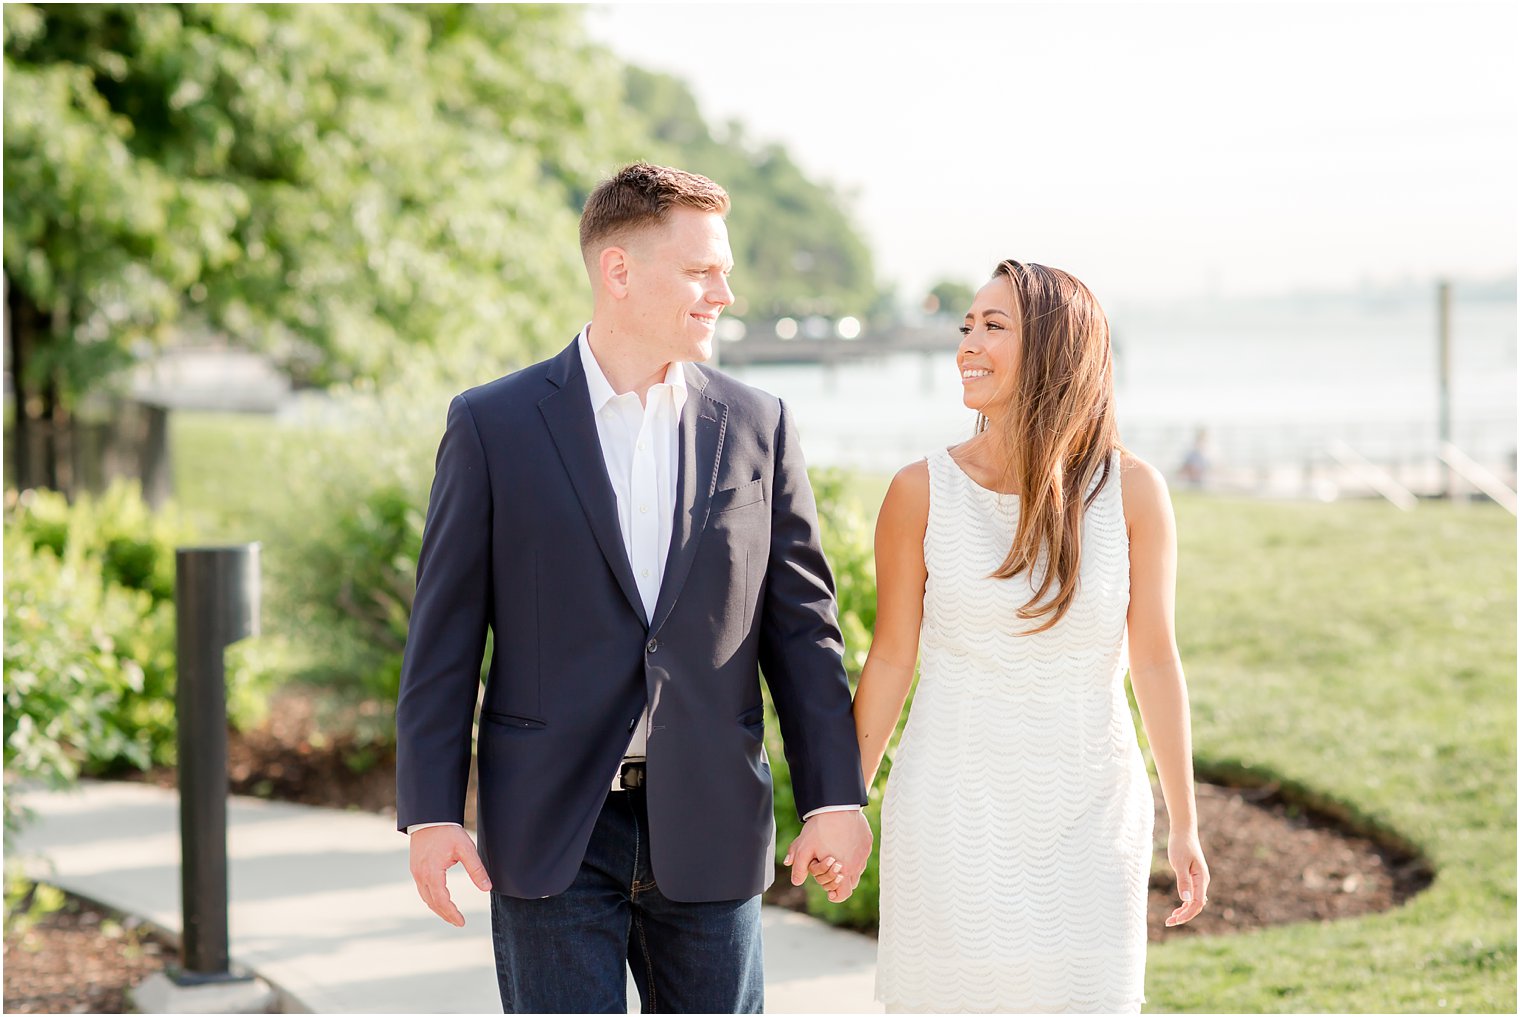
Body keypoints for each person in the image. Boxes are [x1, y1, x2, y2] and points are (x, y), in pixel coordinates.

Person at [394, 162, 872, 1014]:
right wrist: (431, 811)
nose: (723, 292)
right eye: (701, 271)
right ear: (619, 271)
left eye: (723, 271)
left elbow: (803, 632)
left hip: (712, 819)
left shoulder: (760, 425)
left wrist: (834, 795)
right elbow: (445, 636)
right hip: (551, 827)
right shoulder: (493, 425)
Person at [852, 260, 1210, 1013]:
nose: (967, 344)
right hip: (951, 811)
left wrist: (1185, 822)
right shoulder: (919, 492)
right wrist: (841, 804)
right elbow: (890, 656)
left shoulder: (1134, 491)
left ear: (1055, 347)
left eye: (994, 325)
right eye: (966, 326)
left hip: (1092, 812)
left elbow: (1153, 658)